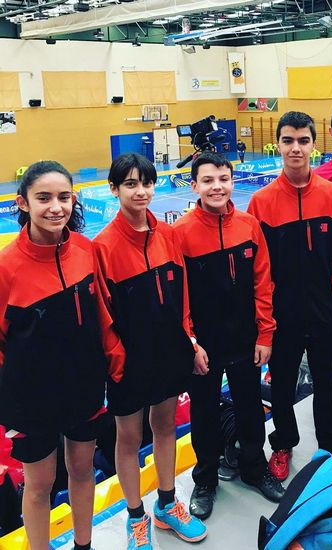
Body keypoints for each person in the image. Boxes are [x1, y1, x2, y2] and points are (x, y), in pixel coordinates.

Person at [0, 161, 125, 550]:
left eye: (63, 197)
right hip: (29, 401)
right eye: (44, 198)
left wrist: (114, 360)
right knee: (39, 486)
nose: (56, 207)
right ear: (23, 203)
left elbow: (102, 312)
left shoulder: (86, 250)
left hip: (83, 387)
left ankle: (83, 545)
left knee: (82, 470)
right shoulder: (5, 267)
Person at [93, 153, 206, 549]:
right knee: (128, 438)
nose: (140, 191)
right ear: (114, 189)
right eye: (130, 184)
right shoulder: (103, 247)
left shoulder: (168, 236)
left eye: (146, 183)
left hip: (168, 353)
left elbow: (183, 297)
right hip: (128, 362)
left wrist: (189, 342)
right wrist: (117, 360)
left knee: (165, 426)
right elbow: (102, 313)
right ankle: (135, 516)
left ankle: (167, 504)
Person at [173, 151, 284, 520]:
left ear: (232, 182)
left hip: (244, 339)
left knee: (250, 406)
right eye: (208, 180)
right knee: (203, 413)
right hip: (204, 346)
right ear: (194, 186)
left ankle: (254, 468)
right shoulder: (180, 233)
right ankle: (205, 479)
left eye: (223, 179)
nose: (216, 187)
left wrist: (265, 333)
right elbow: (179, 297)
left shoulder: (250, 226)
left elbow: (263, 283)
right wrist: (191, 343)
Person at [247, 111, 332, 481]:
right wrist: (267, 315)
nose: (296, 148)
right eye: (288, 140)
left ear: (314, 145)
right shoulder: (261, 202)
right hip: (283, 315)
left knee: (326, 380)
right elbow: (259, 269)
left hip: (325, 311)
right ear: (277, 144)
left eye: (303, 141)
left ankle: (331, 443)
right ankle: (283, 444)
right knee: (281, 384)